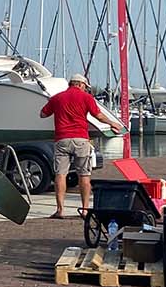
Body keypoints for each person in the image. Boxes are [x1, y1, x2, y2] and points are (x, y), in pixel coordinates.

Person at [39, 74, 124, 219]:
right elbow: (98, 115)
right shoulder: (86, 98)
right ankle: (85, 210)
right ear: (80, 84)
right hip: (81, 139)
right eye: (85, 86)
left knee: (60, 174)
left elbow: (42, 114)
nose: (86, 89)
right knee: (84, 175)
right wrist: (113, 123)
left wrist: (56, 108)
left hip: (62, 139)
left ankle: (60, 210)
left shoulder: (57, 98)